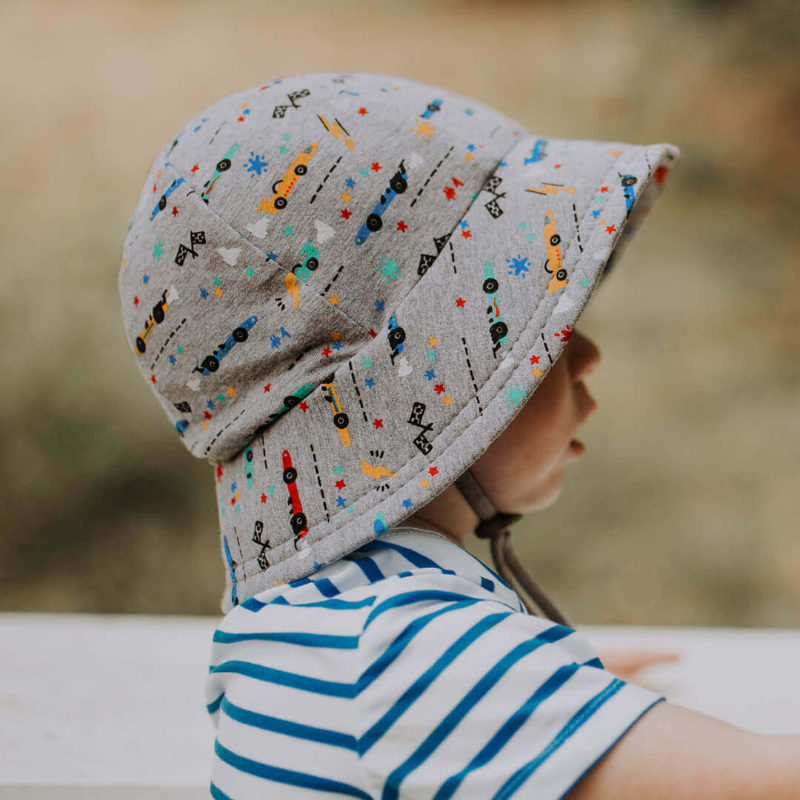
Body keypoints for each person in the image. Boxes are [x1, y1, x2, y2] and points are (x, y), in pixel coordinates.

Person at [118, 71, 800, 798]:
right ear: (425, 396)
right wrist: (525, 691)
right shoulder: (411, 654)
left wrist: (550, 687)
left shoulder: (338, 624)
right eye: (544, 333)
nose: (588, 355)